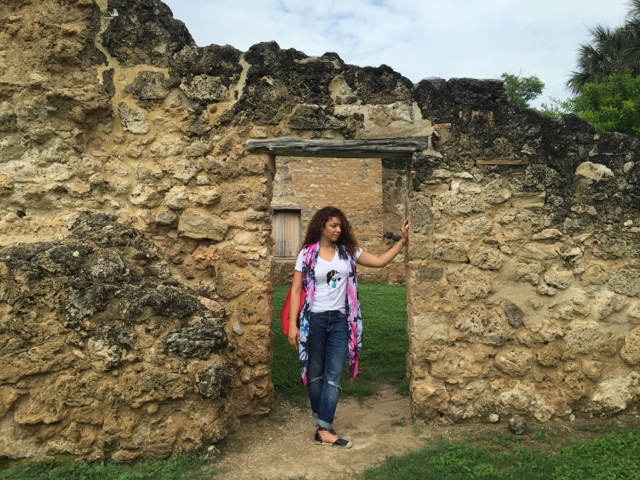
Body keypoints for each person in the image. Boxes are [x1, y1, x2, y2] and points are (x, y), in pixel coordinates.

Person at [287, 206, 409, 448]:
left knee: (333, 376)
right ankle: (321, 421)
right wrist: (293, 325)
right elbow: (296, 289)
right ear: (321, 226)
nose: (338, 230)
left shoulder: (348, 252)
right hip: (314, 321)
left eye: (340, 226)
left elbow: (380, 262)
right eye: (333, 225)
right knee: (314, 374)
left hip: (341, 322)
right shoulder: (307, 254)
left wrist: (403, 241)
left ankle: (324, 428)